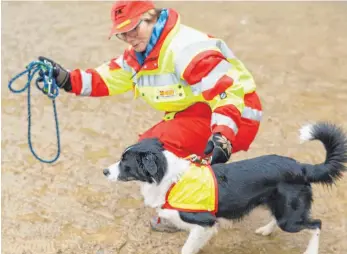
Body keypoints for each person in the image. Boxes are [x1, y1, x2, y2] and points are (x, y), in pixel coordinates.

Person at [39, 0, 262, 232]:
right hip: (201, 111)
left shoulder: (187, 49)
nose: (130, 37)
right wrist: (66, 80)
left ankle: (189, 207)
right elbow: (107, 78)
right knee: (149, 145)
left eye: (134, 28)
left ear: (152, 18)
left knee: (159, 150)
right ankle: (192, 196)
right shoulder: (140, 53)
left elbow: (226, 92)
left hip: (238, 114)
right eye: (123, 34)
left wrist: (223, 134)